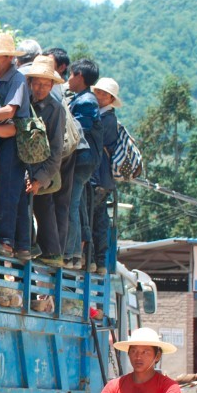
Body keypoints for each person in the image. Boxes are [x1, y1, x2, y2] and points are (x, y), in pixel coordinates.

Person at [0, 33, 31, 259]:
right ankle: (22, 244)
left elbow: (10, 111)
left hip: (14, 141)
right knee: (15, 193)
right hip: (0, 138)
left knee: (8, 190)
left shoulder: (17, 79)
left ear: (9, 58)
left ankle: (5, 240)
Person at [26, 56, 66, 267]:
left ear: (51, 85)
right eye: (36, 83)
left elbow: (57, 150)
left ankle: (51, 253)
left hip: (43, 170)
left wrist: (40, 179)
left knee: (44, 207)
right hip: (26, 167)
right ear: (30, 83)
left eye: (45, 84)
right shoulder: (26, 102)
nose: (40, 88)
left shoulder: (56, 109)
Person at [63, 59, 102, 271]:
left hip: (81, 160)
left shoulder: (86, 101)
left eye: (71, 75)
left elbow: (77, 130)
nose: (68, 79)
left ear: (79, 76)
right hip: (84, 161)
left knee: (71, 204)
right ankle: (75, 254)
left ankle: (70, 253)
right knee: (75, 205)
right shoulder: (84, 99)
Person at [89, 77, 123, 274]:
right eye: (98, 92)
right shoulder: (107, 117)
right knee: (99, 218)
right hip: (104, 178)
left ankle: (94, 259)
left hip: (98, 176)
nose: (99, 96)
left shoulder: (106, 120)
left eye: (103, 94)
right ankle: (99, 261)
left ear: (111, 99)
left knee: (92, 218)